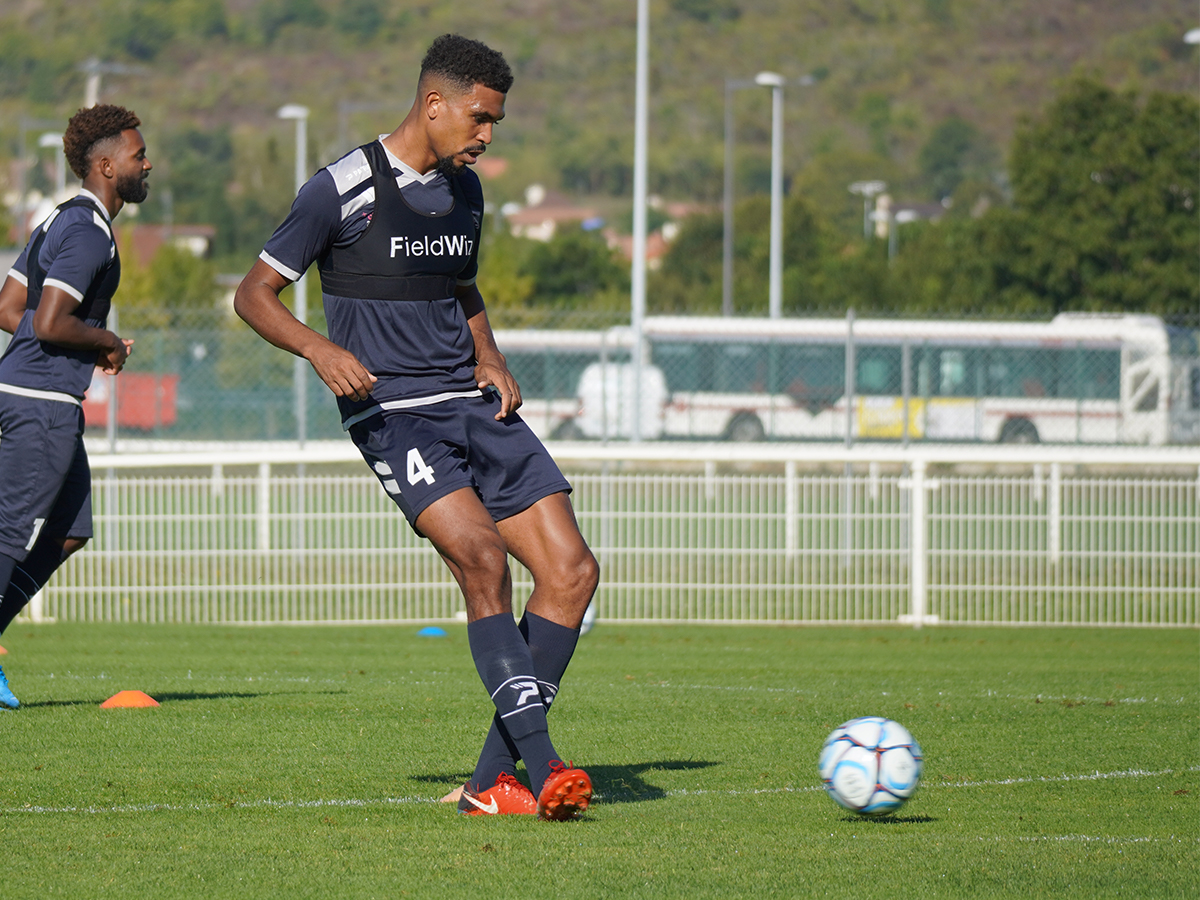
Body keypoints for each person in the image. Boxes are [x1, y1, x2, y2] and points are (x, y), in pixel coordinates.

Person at [234, 34, 598, 821]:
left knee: (572, 573)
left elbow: (460, 288)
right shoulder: (341, 188)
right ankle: (543, 765)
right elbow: (255, 294)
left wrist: (491, 355)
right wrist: (320, 348)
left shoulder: (465, 193)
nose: (487, 135)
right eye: (479, 118)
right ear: (434, 104)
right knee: (480, 560)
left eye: (495, 122)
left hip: (471, 403)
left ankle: (487, 783)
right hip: (393, 413)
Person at [0, 105, 149, 709]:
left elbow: (11, 310)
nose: (147, 164)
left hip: (31, 392)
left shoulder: (58, 218)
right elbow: (51, 319)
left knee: (69, 529)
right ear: (107, 165)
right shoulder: (89, 233)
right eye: (139, 156)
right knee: (11, 533)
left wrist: (78, 344)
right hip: (40, 405)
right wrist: (107, 341)